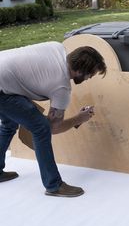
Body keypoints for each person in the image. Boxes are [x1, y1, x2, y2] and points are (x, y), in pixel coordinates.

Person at [0, 41, 106, 197]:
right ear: (79, 71)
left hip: (3, 79)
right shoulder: (61, 88)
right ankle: (53, 185)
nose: (90, 78)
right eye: (90, 74)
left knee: (9, 123)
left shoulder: (56, 47)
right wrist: (79, 119)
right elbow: (53, 128)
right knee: (41, 128)